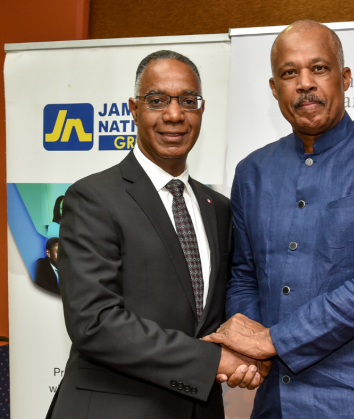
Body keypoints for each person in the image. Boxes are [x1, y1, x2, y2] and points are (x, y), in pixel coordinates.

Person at [203, 21, 354, 418]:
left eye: (319, 69)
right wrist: (250, 350)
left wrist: (271, 340)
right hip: (275, 400)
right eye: (290, 73)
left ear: (344, 78)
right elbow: (244, 276)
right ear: (275, 88)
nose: (304, 83)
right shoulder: (253, 171)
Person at [47, 50, 269, 419]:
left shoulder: (220, 207)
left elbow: (220, 309)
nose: (174, 114)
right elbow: (94, 321)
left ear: (201, 109)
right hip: (112, 408)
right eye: (157, 100)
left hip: (200, 408)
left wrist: (252, 349)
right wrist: (215, 360)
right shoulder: (92, 197)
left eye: (187, 101)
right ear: (134, 109)